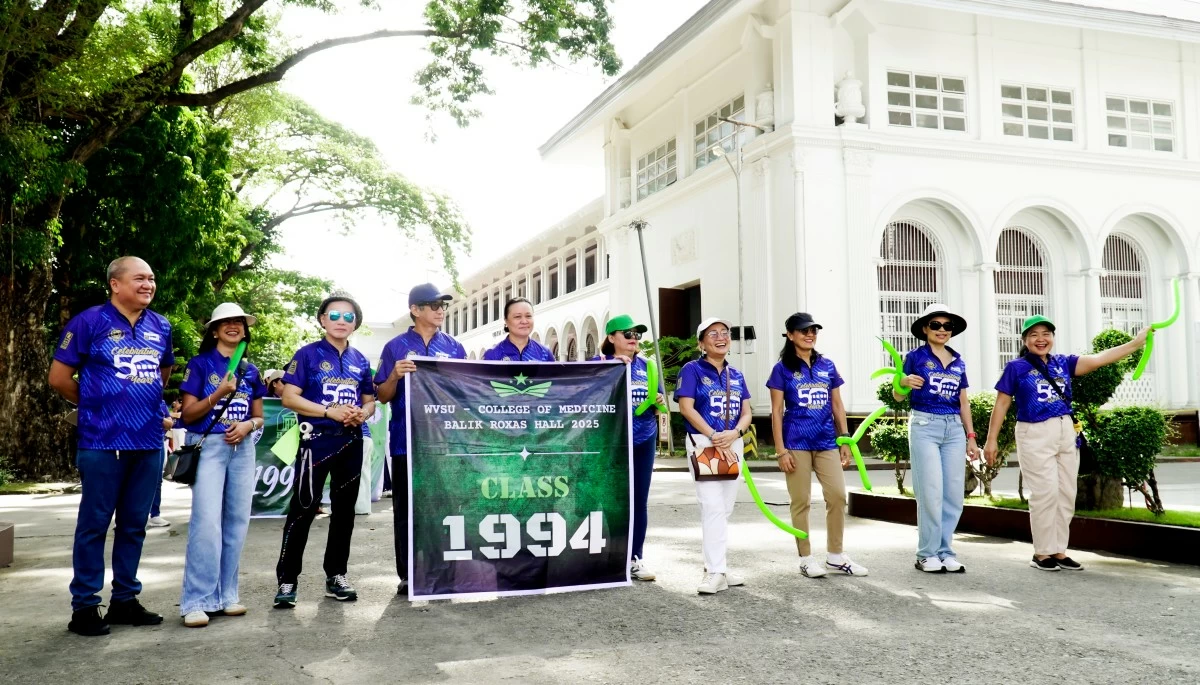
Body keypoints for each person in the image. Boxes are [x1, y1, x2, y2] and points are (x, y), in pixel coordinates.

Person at [49, 256, 175, 636]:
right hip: (102, 442)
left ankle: (124, 601)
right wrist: (96, 404)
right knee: (94, 525)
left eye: (151, 278)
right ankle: (85, 607)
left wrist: (147, 406)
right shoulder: (88, 322)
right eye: (139, 278)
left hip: (149, 442)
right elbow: (59, 378)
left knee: (135, 525)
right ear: (115, 284)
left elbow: (162, 372)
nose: (148, 284)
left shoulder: (161, 326)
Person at [984, 316, 1148, 572]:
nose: (1041, 339)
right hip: (1034, 431)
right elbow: (1002, 403)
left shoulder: (1063, 363)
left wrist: (1136, 344)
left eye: (1046, 333)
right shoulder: (1016, 367)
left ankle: (1058, 550)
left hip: (1065, 431)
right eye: (1034, 334)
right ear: (1025, 340)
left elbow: (1100, 358)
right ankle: (1041, 553)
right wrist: (991, 440)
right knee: (1045, 493)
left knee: (1066, 493)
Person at [273, 293, 375, 606]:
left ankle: (336, 575)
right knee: (302, 510)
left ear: (355, 323)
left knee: (345, 514)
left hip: (351, 443)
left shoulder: (361, 361)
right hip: (314, 443)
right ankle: (288, 581)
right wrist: (328, 411)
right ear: (322, 320)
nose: (341, 322)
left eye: (348, 317)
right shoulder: (306, 355)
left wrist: (362, 413)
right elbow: (290, 397)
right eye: (334, 315)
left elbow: (370, 401)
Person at [177, 303, 266, 627]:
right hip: (211, 447)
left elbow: (259, 415)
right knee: (206, 525)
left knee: (237, 523)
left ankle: (226, 595)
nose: (233, 327)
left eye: (238, 323)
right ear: (214, 330)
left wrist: (249, 426)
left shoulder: (250, 370)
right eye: (225, 322)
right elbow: (187, 415)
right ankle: (195, 601)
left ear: (244, 330)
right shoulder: (200, 364)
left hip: (242, 449)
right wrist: (219, 393)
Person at [374, 283, 466, 594]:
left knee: (446, 507)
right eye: (433, 304)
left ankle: (446, 571)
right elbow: (382, 396)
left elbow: (465, 393)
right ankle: (409, 574)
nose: (440, 310)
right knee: (406, 511)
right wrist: (394, 376)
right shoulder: (395, 347)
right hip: (406, 442)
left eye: (443, 305)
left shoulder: (455, 347)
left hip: (445, 443)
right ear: (415, 310)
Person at [766, 313, 868, 579]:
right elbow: (776, 411)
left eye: (813, 331)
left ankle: (835, 555)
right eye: (803, 331)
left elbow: (836, 404)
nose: (809, 335)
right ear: (790, 335)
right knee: (801, 501)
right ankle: (806, 557)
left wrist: (844, 438)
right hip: (795, 442)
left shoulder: (827, 365)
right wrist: (781, 450)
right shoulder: (781, 369)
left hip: (826, 441)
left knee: (837, 495)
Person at [675, 318, 753, 595]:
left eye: (725, 333)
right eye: (713, 334)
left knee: (725, 508)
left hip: (731, 445)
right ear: (701, 343)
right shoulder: (692, 370)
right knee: (712, 506)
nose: (721, 337)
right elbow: (686, 407)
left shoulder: (737, 375)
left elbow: (747, 412)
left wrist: (735, 433)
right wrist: (713, 434)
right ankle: (716, 571)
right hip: (703, 445)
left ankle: (716, 566)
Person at [897, 304, 977, 574]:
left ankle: (946, 552)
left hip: (954, 428)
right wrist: (904, 383)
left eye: (947, 326)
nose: (942, 330)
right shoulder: (915, 357)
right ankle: (926, 553)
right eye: (936, 325)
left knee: (953, 493)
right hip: (925, 424)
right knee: (930, 491)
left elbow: (963, 401)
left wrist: (971, 436)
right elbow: (897, 395)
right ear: (925, 329)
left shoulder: (958, 360)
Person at [591, 314, 664, 582]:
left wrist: (657, 401)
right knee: (609, 499)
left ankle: (635, 557)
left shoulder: (648, 366)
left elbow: (658, 400)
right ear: (611, 338)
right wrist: (608, 370)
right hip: (610, 441)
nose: (634, 339)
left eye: (637, 335)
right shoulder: (597, 365)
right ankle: (608, 555)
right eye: (627, 334)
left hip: (643, 438)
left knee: (638, 501)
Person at [483, 297, 556, 361]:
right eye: (517, 317)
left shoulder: (545, 354)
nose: (524, 321)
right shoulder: (492, 355)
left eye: (528, 316)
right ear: (506, 321)